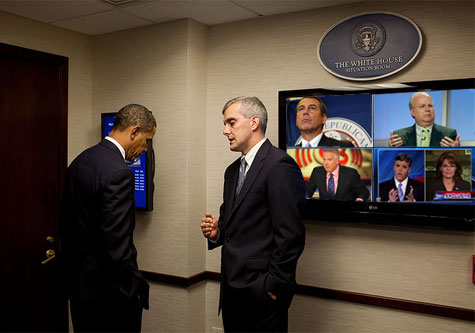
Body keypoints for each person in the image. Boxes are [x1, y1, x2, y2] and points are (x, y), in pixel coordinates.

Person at [200, 96, 306, 332]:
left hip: (262, 295)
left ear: (254, 122)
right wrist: (217, 232)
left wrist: (273, 289)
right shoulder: (232, 171)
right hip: (231, 293)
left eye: (231, 122)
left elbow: (291, 235)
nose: (225, 130)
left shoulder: (280, 166)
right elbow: (231, 222)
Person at [61, 104, 156, 332]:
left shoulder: (80, 161)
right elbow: (116, 245)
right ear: (134, 131)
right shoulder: (120, 172)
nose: (144, 149)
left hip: (80, 290)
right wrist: (133, 287)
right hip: (110, 297)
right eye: (146, 141)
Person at [388, 92, 460, 147]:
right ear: (413, 112)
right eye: (422, 106)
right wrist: (389, 149)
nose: (428, 109)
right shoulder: (399, 136)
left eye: (430, 106)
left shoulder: (448, 134)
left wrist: (457, 149)